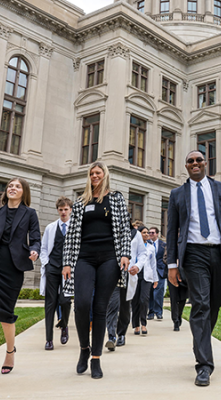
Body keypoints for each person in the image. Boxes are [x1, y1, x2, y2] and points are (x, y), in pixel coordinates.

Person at [167, 150, 221, 387]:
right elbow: (171, 231)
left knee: (214, 304)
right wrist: (172, 264)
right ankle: (204, 366)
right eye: (190, 161)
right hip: (192, 254)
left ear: (206, 162)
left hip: (219, 253)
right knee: (200, 304)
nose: (195, 163)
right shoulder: (177, 194)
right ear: (186, 166)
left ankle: (200, 340)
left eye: (198, 160)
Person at [62, 162, 131, 379]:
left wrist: (125, 254)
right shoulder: (81, 202)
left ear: (105, 175)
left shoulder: (117, 198)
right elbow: (72, 234)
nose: (95, 176)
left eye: (98, 173)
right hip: (84, 257)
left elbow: (124, 229)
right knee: (81, 304)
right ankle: (84, 349)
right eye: (92, 173)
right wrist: (66, 262)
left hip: (109, 257)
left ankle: (96, 358)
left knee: (100, 307)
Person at [0, 178, 41, 391]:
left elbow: (36, 238)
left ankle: (10, 352)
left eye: (17, 186)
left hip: (13, 268)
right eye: (10, 186)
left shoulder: (30, 214)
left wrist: (35, 250)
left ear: (24, 192)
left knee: (5, 313)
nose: (13, 188)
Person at [39, 196, 73, 350]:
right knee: (50, 303)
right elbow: (44, 248)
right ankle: (48, 339)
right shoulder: (50, 227)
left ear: (70, 210)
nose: (63, 212)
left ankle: (64, 325)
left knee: (65, 301)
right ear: (57, 210)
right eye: (61, 210)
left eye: (66, 209)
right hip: (52, 267)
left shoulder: (76, 227)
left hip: (68, 270)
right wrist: (46, 264)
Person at [105, 222, 139, 351]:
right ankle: (111, 337)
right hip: (113, 274)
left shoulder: (136, 235)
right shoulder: (110, 233)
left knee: (125, 308)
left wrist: (137, 266)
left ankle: (122, 334)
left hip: (128, 275)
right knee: (112, 306)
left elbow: (142, 254)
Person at [129, 226, 157, 335]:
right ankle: (136, 325)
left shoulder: (151, 247)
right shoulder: (133, 245)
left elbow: (153, 264)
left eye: (147, 232)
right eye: (144, 232)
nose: (146, 234)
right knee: (135, 301)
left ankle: (143, 324)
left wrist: (155, 279)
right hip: (135, 274)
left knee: (144, 299)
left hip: (147, 276)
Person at [164, 244, 188, 332]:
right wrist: (174, 263)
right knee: (174, 298)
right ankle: (175, 320)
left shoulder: (188, 244)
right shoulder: (170, 245)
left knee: (183, 298)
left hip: (184, 275)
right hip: (172, 275)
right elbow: (165, 259)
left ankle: (179, 314)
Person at [147, 227, 166, 320]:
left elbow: (166, 257)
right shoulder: (146, 244)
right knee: (150, 292)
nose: (150, 234)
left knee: (159, 292)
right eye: (149, 232)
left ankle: (158, 312)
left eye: (152, 232)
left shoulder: (163, 244)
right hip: (149, 271)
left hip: (160, 271)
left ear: (157, 234)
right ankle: (150, 312)